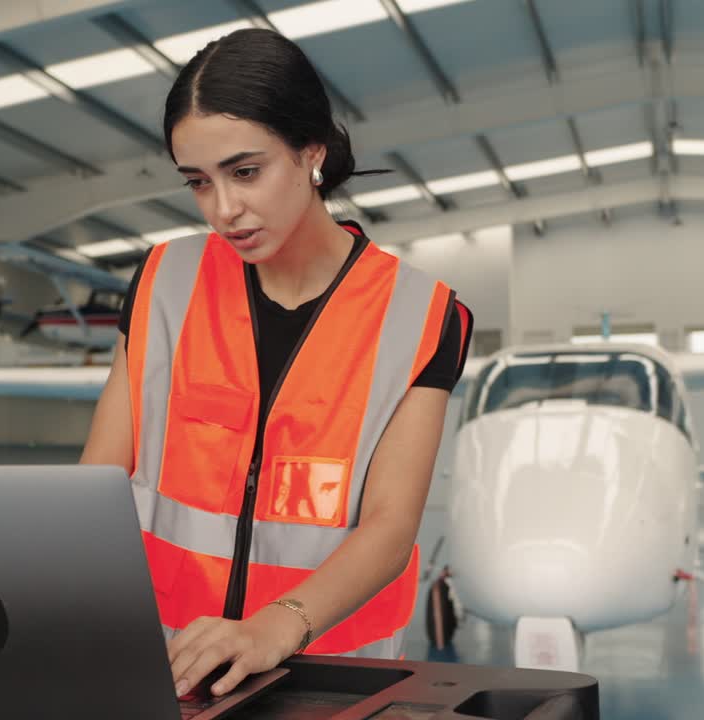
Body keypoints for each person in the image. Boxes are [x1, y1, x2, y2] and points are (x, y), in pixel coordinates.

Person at [80, 27, 472, 700]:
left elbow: (390, 522)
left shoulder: (422, 314)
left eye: (245, 171)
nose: (224, 210)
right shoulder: (161, 282)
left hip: (332, 681)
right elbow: (97, 488)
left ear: (311, 152)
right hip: (169, 675)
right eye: (198, 183)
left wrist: (278, 625)